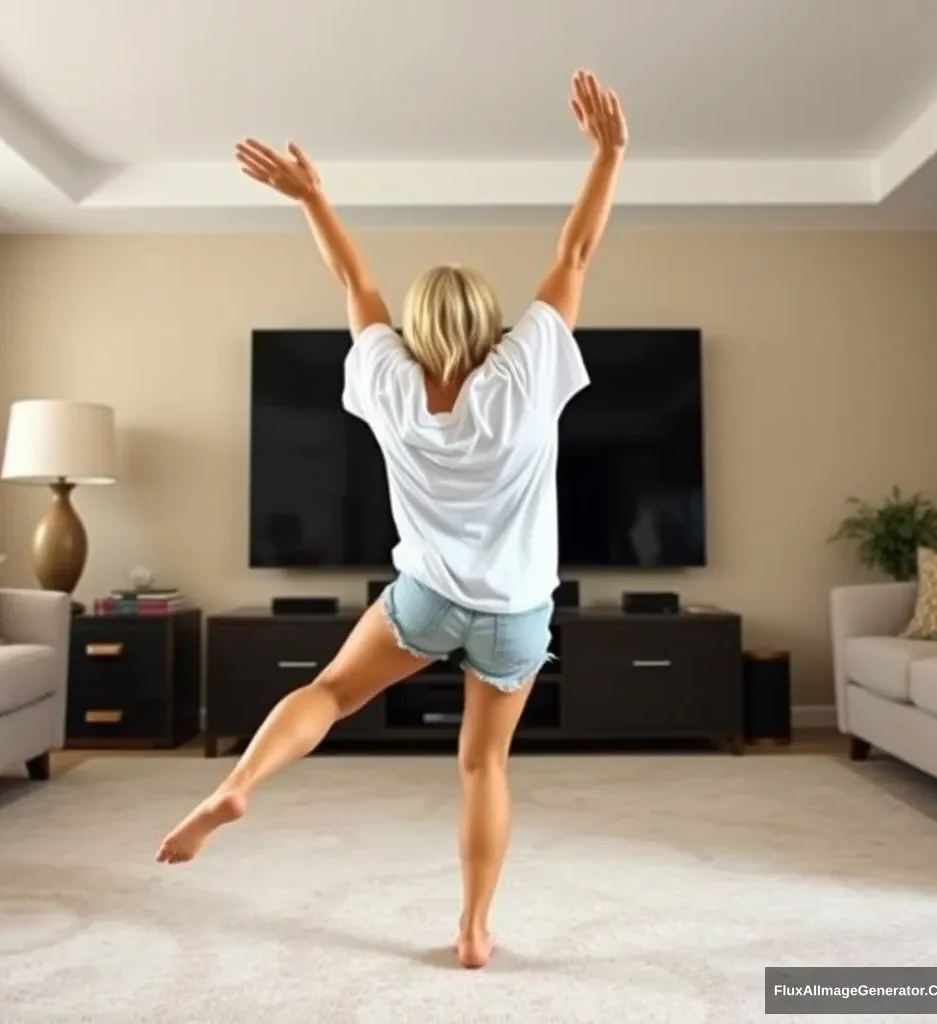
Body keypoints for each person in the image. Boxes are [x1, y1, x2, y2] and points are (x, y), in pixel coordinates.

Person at [156, 69, 628, 970]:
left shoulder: (387, 382)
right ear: (492, 325)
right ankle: (475, 929)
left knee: (330, 694)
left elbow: (352, 275)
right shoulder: (525, 373)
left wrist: (310, 197)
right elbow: (574, 256)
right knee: (481, 765)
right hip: (517, 610)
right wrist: (608, 153)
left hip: (425, 599)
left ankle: (240, 784)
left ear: (413, 330)